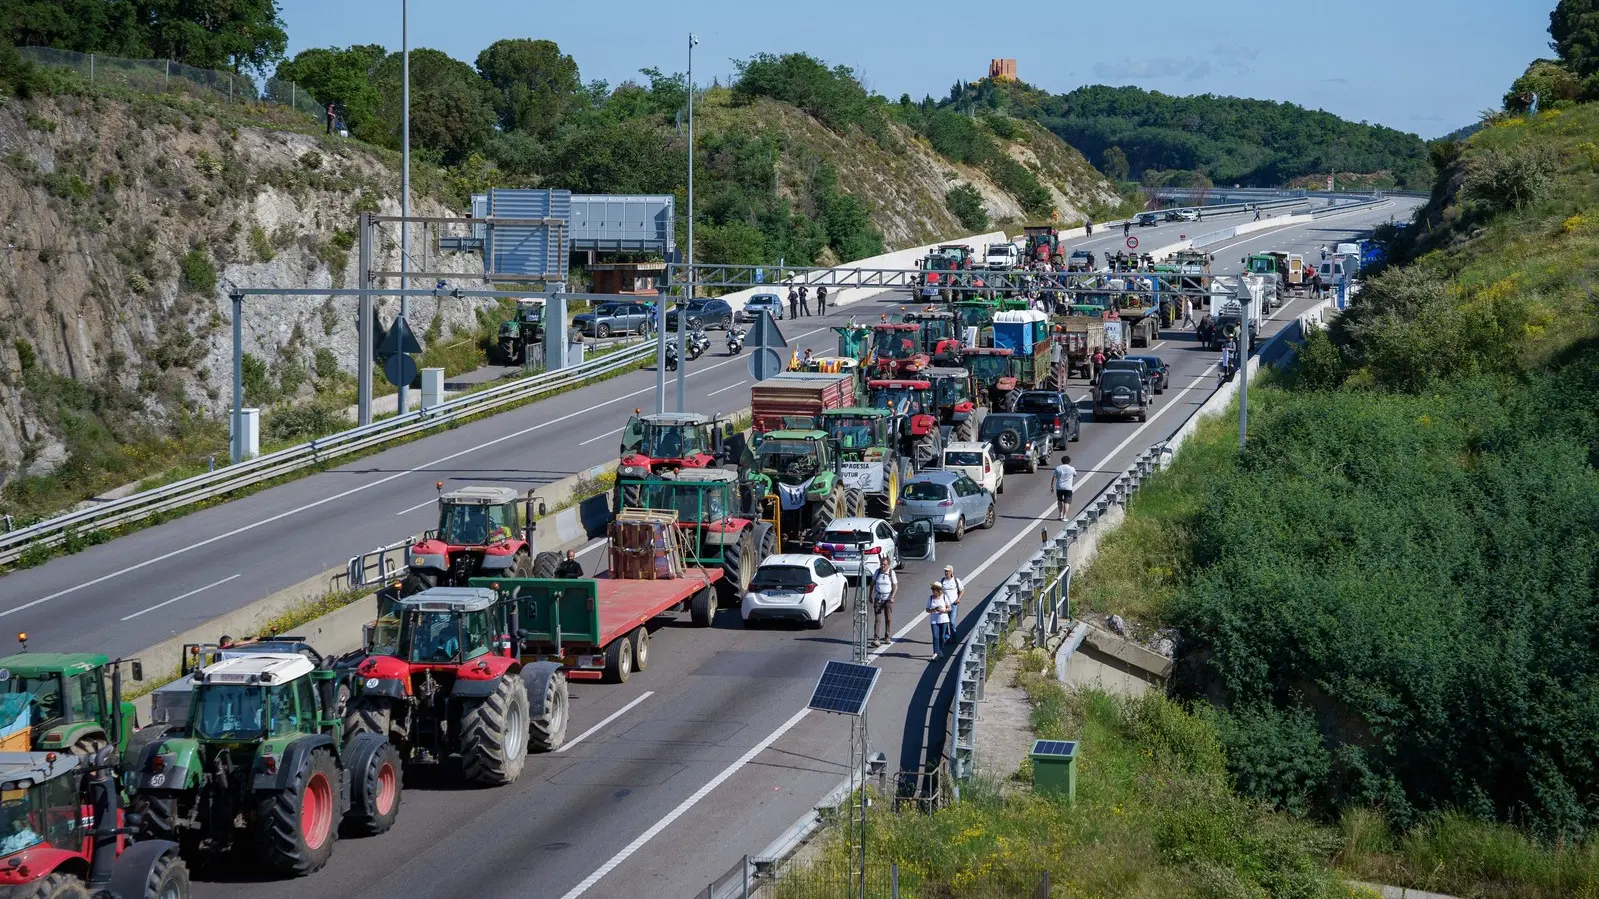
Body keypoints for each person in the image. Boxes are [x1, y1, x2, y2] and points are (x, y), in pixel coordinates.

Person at [870, 554, 897, 646]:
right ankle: (876, 638)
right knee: (877, 619)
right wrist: (870, 595)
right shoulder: (877, 572)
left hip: (888, 599)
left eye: (885, 564)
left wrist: (892, 596)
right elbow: (872, 584)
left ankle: (887, 636)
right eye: (882, 564)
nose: (883, 566)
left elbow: (895, 586)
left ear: (888, 564)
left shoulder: (891, 573)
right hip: (878, 599)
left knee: (888, 618)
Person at [926, 583, 952, 658]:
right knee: (935, 637)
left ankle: (939, 651)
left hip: (943, 620)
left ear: (938, 590)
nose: (933, 591)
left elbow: (949, 608)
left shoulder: (944, 597)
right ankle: (935, 653)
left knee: (941, 637)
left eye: (934, 589)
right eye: (932, 589)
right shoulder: (931, 598)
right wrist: (933, 609)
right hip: (934, 621)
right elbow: (927, 609)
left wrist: (943, 610)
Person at [1053, 454, 1076, 521]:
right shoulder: (1071, 469)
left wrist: (1052, 486)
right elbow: (1075, 474)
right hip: (1068, 488)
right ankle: (1064, 516)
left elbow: (1054, 477)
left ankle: (1060, 515)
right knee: (1067, 502)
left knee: (1059, 501)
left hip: (1059, 487)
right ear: (1069, 461)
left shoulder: (1058, 468)